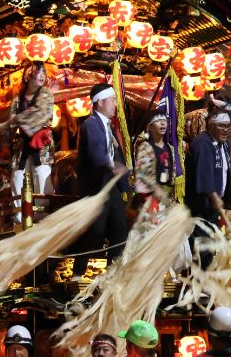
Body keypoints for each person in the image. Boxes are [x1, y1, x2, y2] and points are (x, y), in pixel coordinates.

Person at [73, 82, 131, 261]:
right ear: (100, 102)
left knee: (121, 230)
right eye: (112, 100)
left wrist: (126, 185)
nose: (115, 104)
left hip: (110, 187)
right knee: (96, 231)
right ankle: (78, 270)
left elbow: (117, 157)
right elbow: (97, 154)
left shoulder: (108, 127)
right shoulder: (91, 125)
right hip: (96, 188)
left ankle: (111, 272)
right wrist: (112, 166)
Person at [6, 61, 56, 221]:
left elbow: (42, 118)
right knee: (17, 178)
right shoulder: (17, 100)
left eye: (43, 73)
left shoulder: (46, 96)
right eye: (36, 73)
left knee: (41, 178)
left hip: (40, 145)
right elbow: (11, 122)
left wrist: (21, 121)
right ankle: (19, 218)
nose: (40, 76)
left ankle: (43, 218)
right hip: (22, 146)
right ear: (27, 77)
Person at [186, 111, 231, 267]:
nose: (225, 130)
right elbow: (204, 173)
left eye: (227, 126)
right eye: (221, 126)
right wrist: (214, 197)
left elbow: (225, 174)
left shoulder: (225, 145)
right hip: (200, 207)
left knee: (213, 248)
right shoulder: (201, 143)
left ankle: (205, 286)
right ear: (210, 125)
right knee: (203, 248)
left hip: (214, 207)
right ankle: (200, 287)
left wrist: (224, 203)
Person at [132, 110, 175, 210]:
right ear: (149, 127)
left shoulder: (170, 148)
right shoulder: (145, 147)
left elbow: (172, 173)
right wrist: (156, 189)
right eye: (158, 120)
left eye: (164, 120)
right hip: (150, 201)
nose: (163, 123)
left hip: (167, 199)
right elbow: (141, 174)